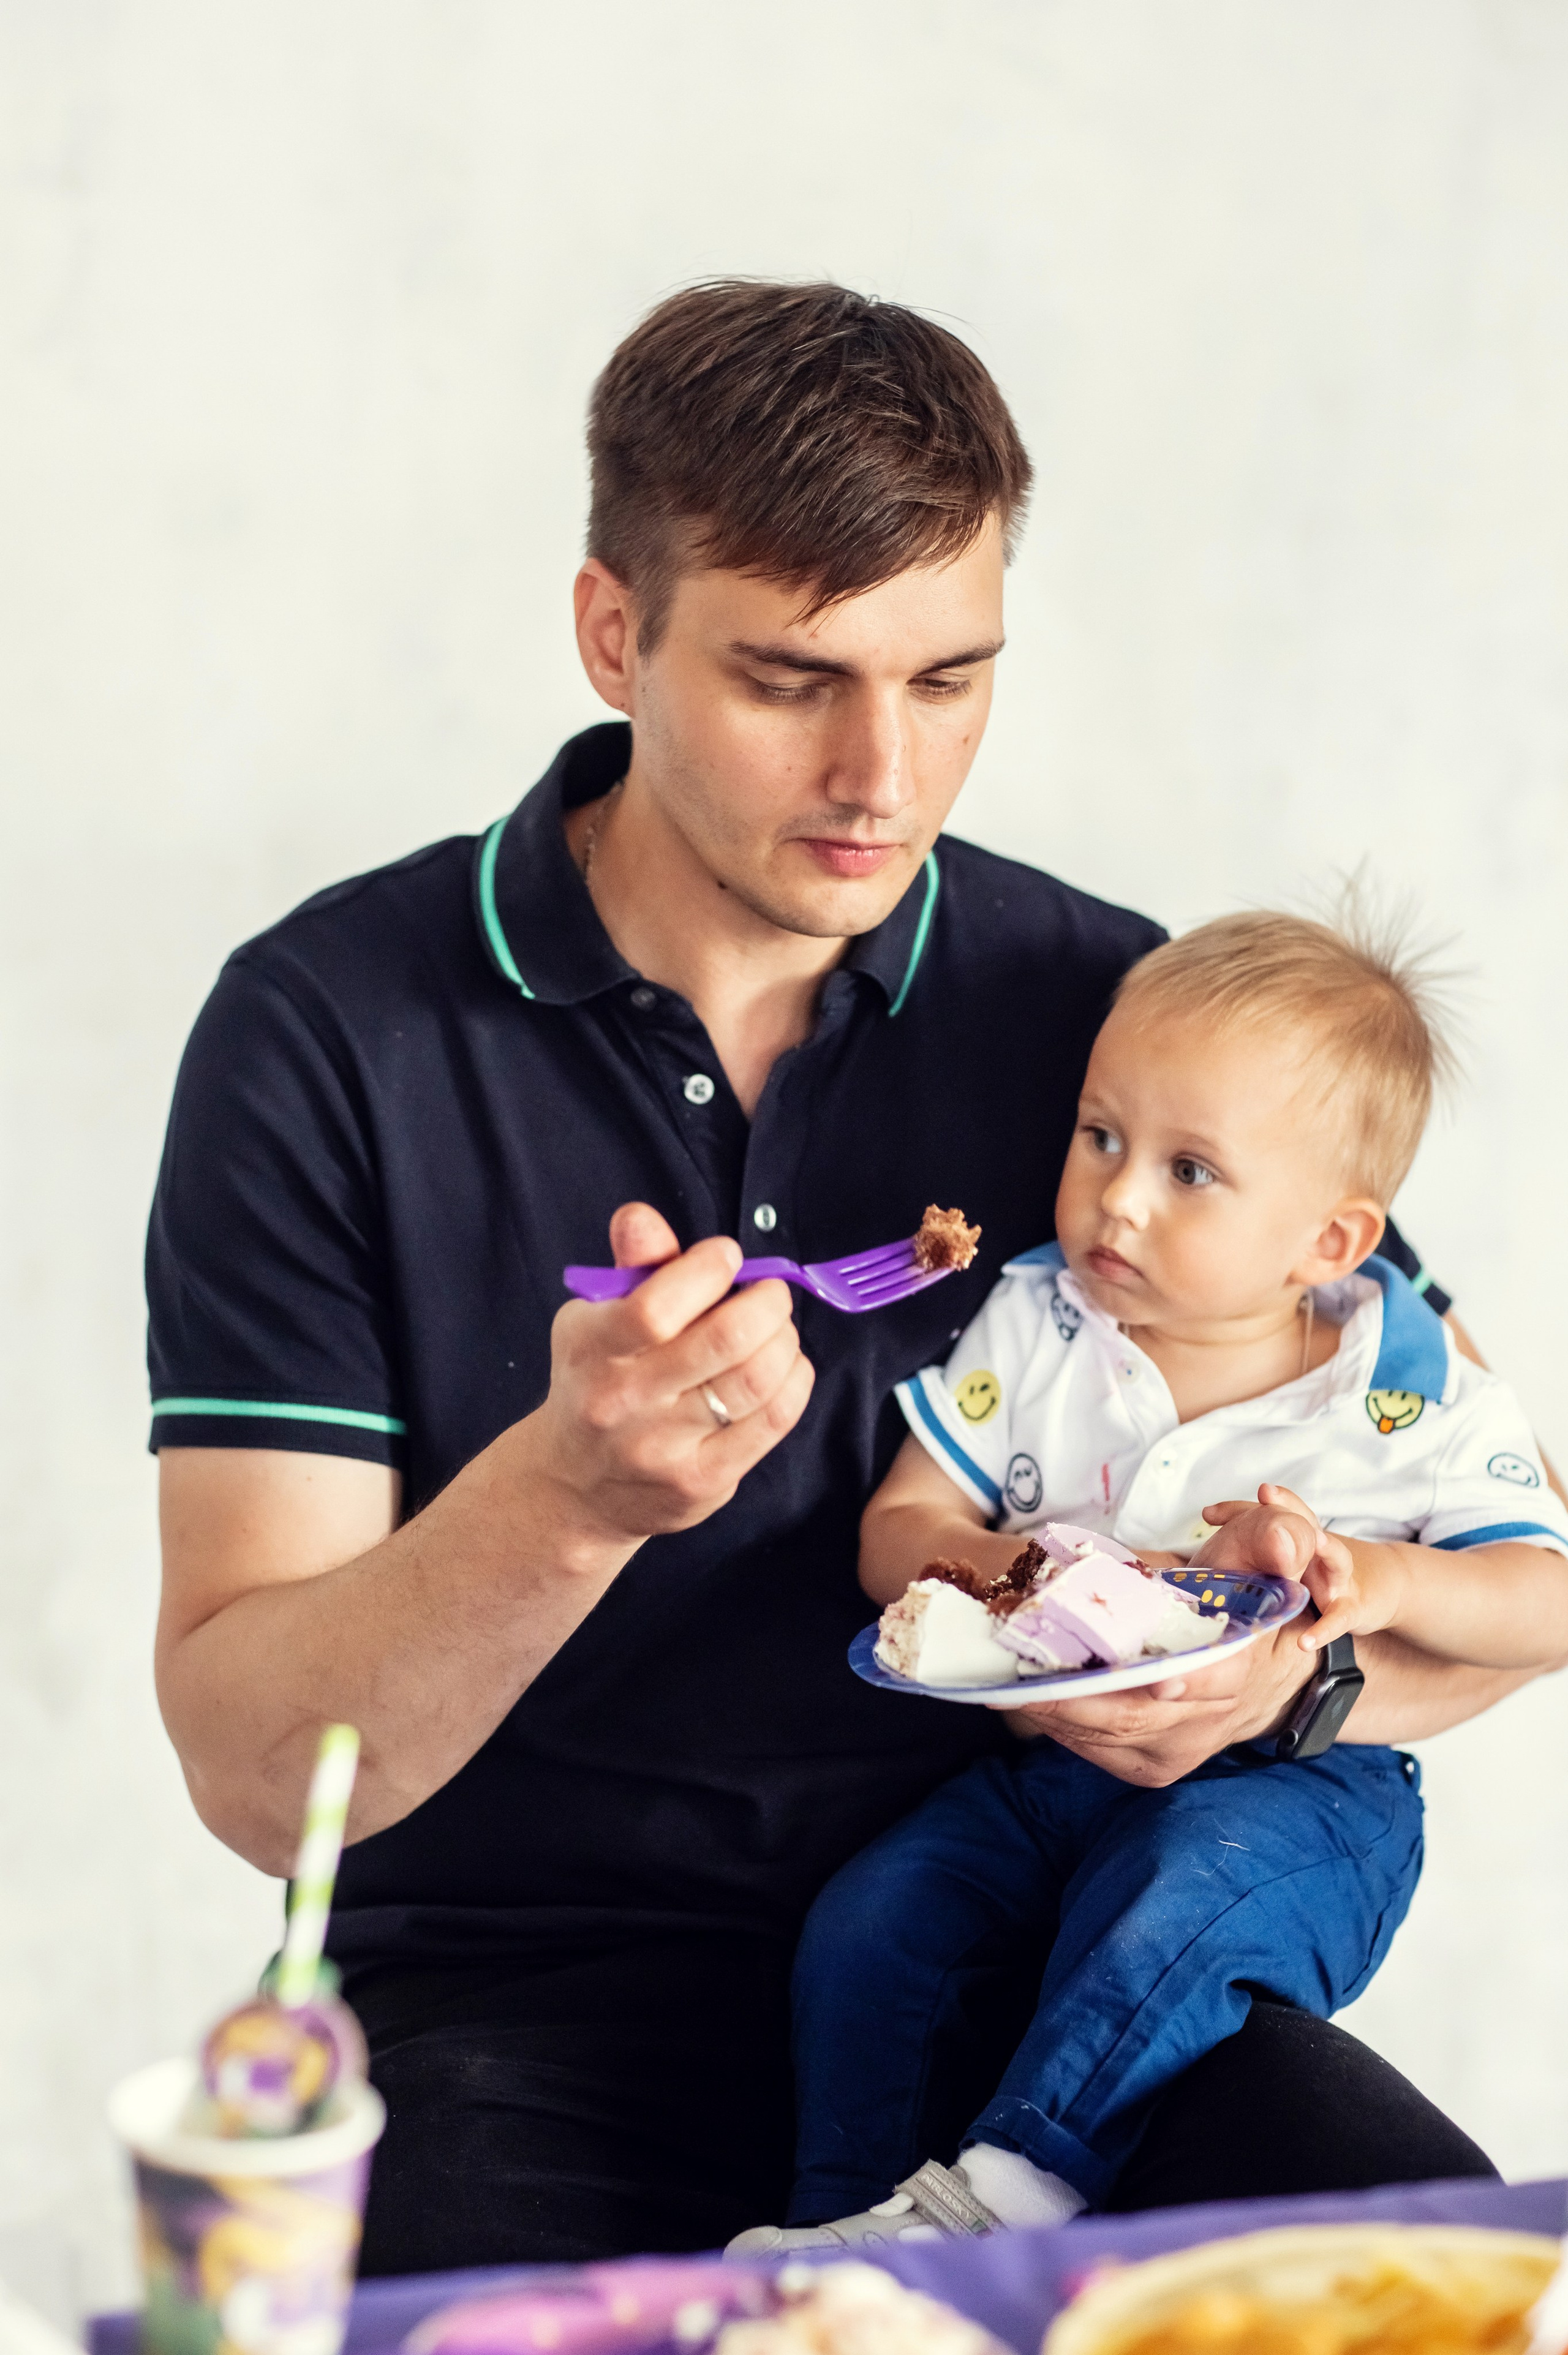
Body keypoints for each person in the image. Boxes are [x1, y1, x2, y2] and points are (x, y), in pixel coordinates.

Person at [148, 282, 1532, 2272]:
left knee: (1455, 2283)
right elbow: (262, 1775)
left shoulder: (1122, 1028)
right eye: (794, 678)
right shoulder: (328, 1033)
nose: (884, 773)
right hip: (521, 2019)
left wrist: (1287, 1682)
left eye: (952, 676)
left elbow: (1496, 1551)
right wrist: (566, 1500)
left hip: (1035, 1961)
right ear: (614, 631)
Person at [729, 910, 1568, 2255]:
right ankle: (842, 2243)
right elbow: (899, 1527)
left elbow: (1547, 1599)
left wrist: (1377, 1578)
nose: (1114, 1198)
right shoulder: (1043, 1319)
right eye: (1099, 1137)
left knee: (1176, 1902)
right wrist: (1026, 1572)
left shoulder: (1403, 1390)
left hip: (1297, 1795)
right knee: (877, 1922)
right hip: (1044, 1772)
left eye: (1189, 1172)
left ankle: (1000, 2201)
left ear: (1331, 1243)